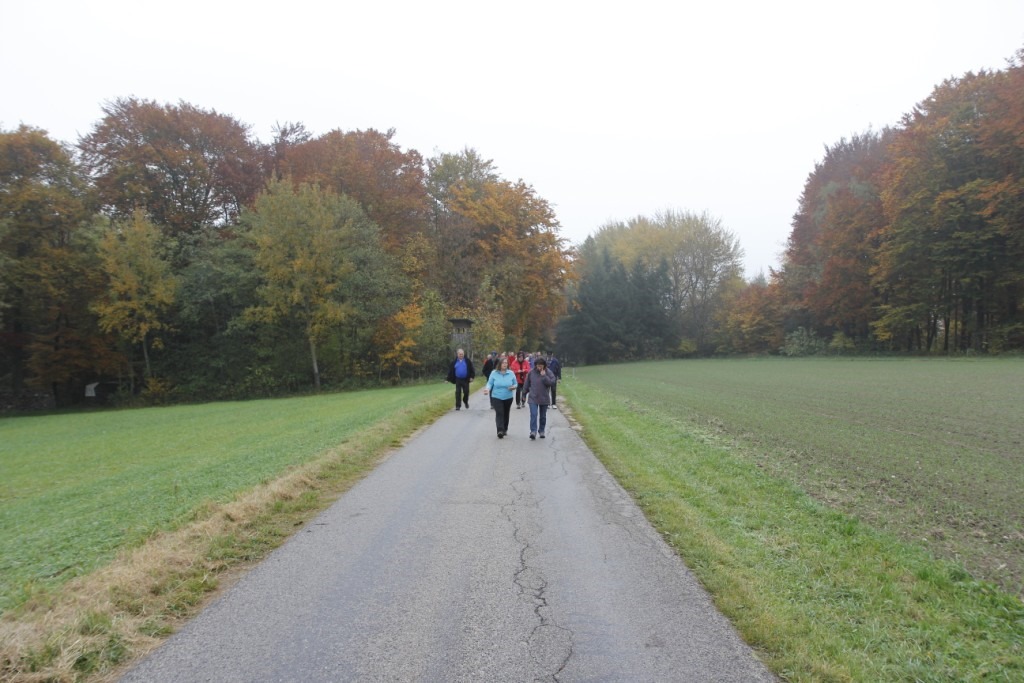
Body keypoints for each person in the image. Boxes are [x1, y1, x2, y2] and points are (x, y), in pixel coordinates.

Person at [522, 357, 556, 439]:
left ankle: (541, 431)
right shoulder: (531, 372)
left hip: (544, 398)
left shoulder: (548, 372)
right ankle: (533, 431)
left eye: (541, 365)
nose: (539, 367)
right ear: (535, 365)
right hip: (533, 397)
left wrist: (544, 376)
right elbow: (526, 384)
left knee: (543, 416)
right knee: (533, 414)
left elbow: (551, 383)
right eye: (538, 365)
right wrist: (523, 394)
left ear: (544, 365)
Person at [483, 356, 517, 438]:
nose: (505, 364)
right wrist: (487, 389)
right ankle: (500, 430)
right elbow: (490, 383)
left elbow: (515, 383)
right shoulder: (494, 373)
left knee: (506, 413)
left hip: (508, 397)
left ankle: (505, 428)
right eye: (503, 363)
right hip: (496, 396)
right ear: (499, 364)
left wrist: (513, 387)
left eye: (506, 363)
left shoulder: (511, 373)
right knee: (499, 412)